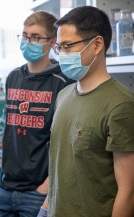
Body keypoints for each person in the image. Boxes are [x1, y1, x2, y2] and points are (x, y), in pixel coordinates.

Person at [40, 6, 134, 217]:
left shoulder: (121, 106)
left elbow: (128, 192)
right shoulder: (63, 96)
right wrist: (44, 210)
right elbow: (60, 165)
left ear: (97, 45)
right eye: (59, 48)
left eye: (68, 46)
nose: (62, 55)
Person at [0, 11, 74, 217]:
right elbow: (12, 129)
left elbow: (66, 141)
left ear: (52, 42)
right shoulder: (13, 77)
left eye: (36, 37)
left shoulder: (63, 81)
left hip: (38, 191)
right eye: (25, 36)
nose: (28, 42)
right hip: (6, 187)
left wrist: (46, 186)